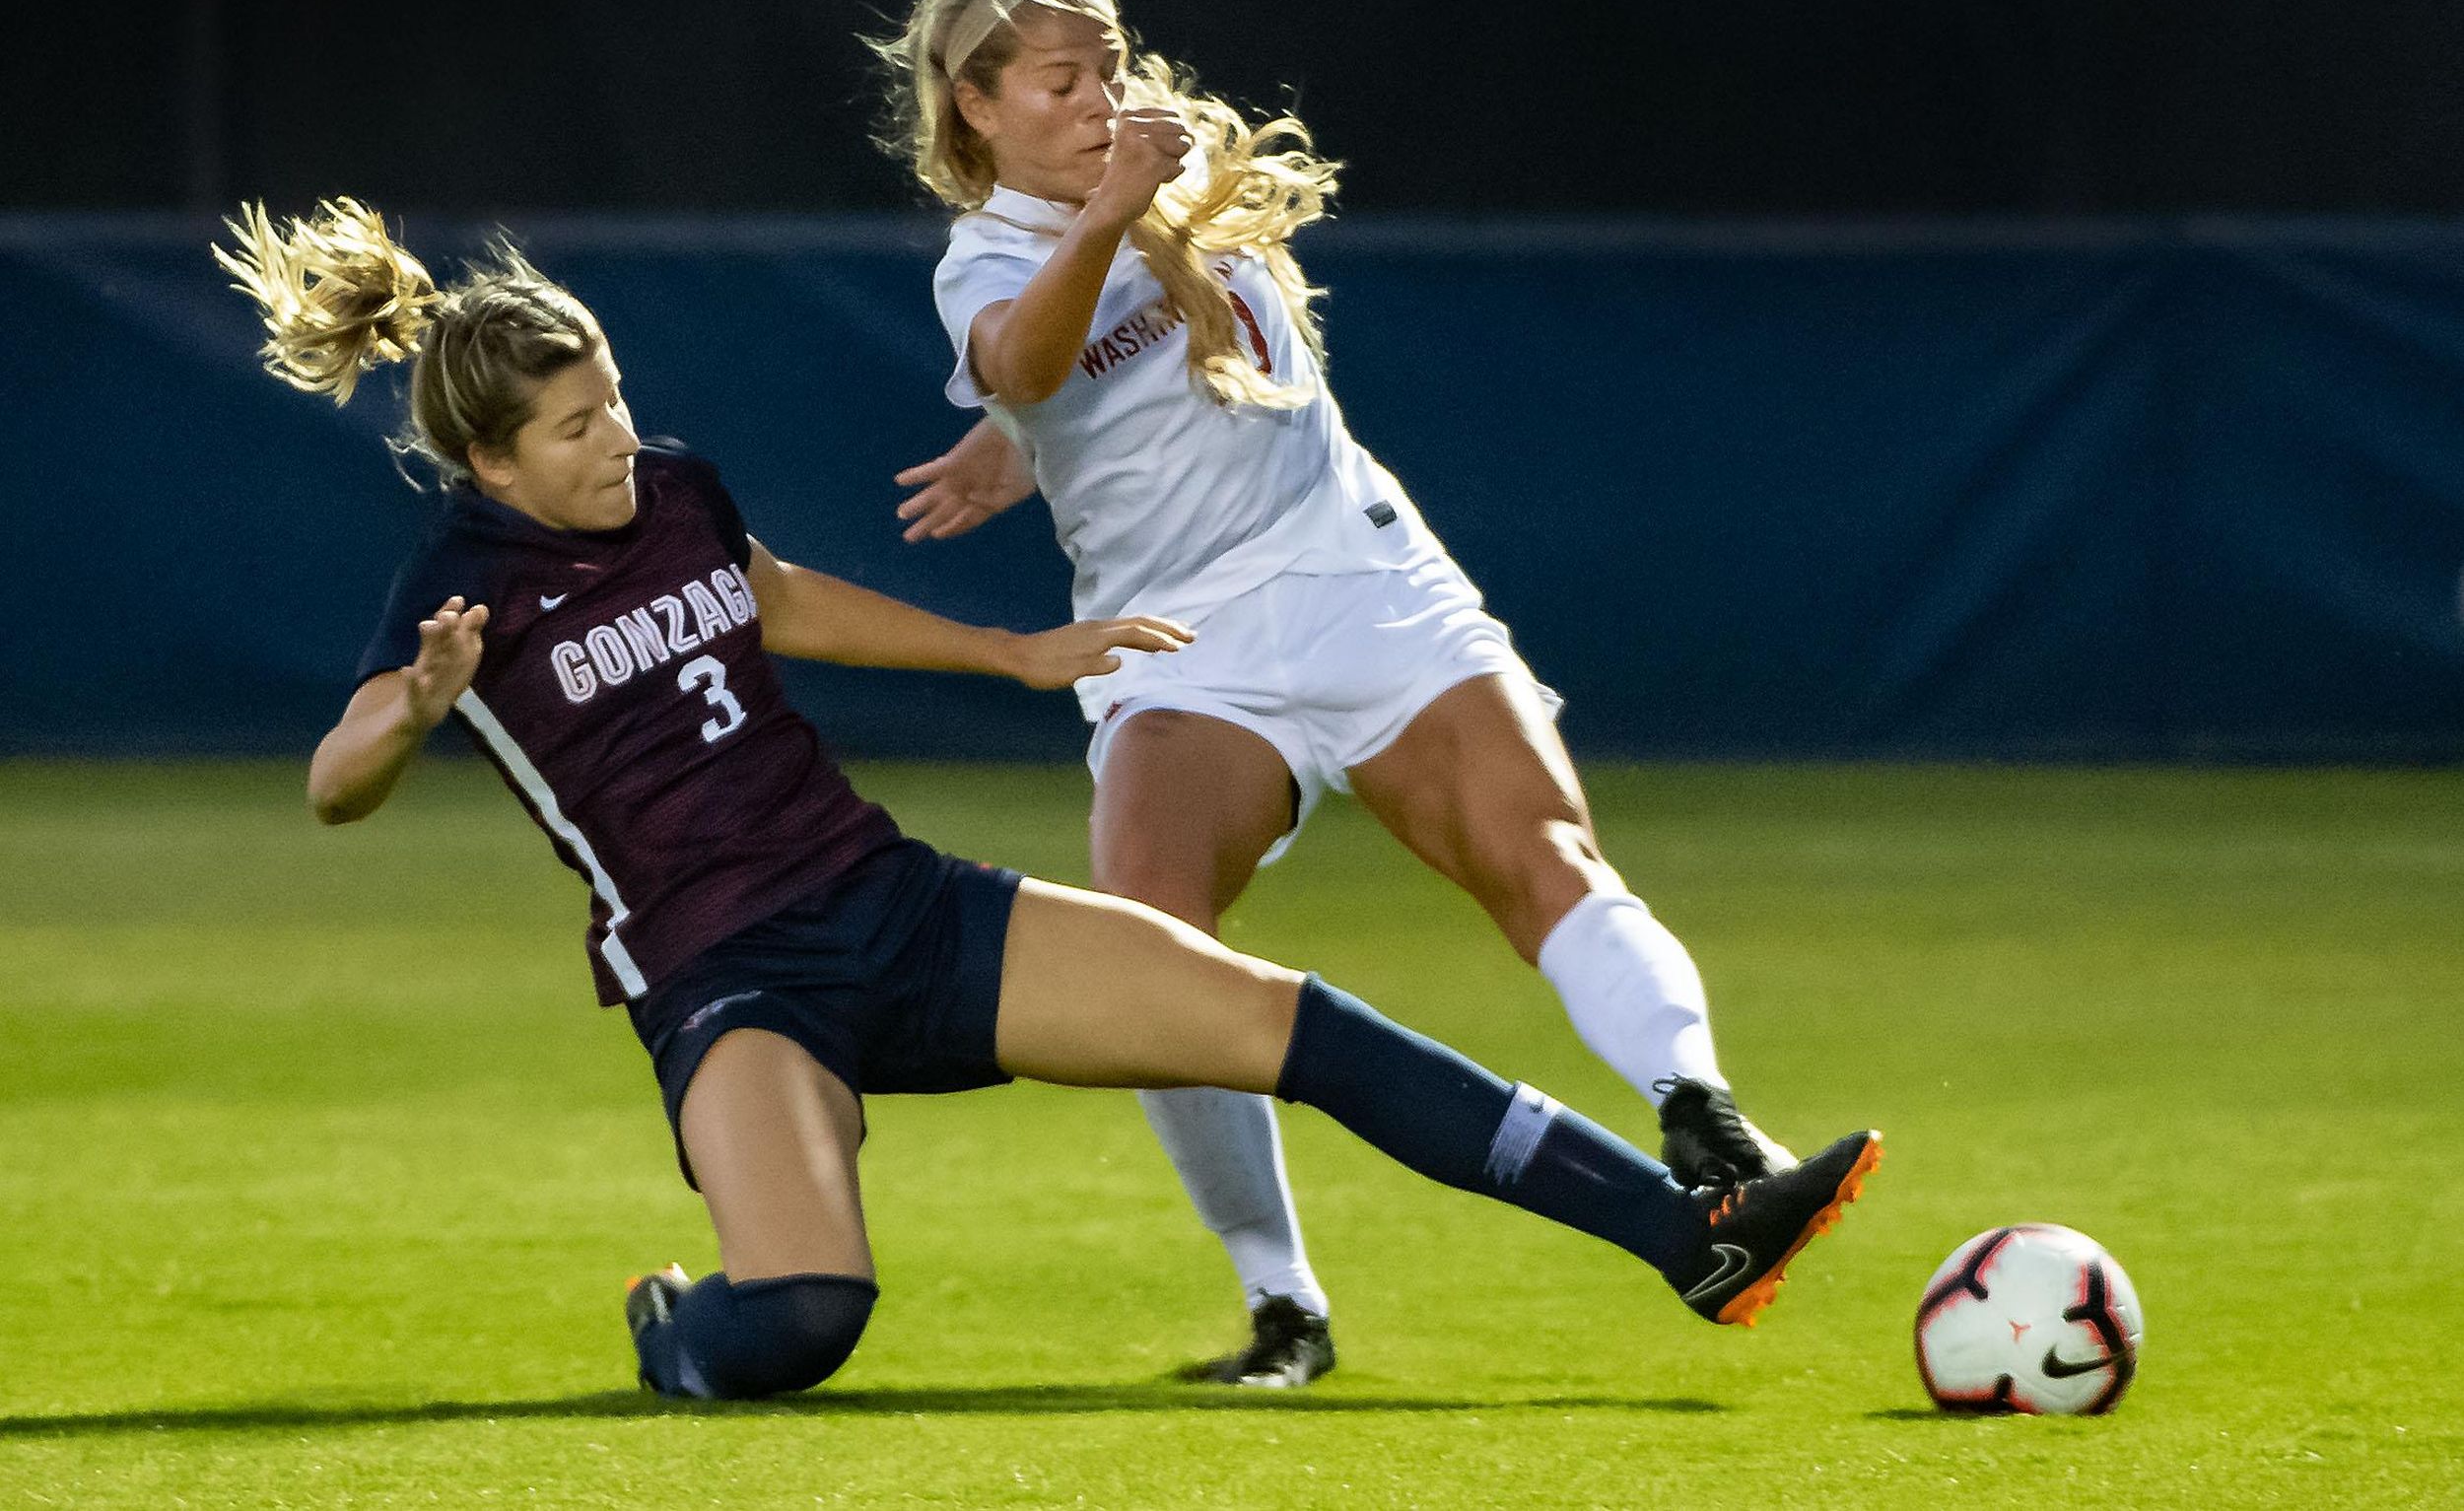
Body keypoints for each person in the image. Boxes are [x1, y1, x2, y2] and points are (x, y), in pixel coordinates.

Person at [214, 197, 1881, 1402]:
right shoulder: (464, 579)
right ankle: (678, 1326)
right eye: (578, 430)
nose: (618, 442)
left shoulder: (675, 495)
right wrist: (418, 709)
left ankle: (1692, 1238)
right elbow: (332, 783)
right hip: (730, 979)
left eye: (619, 402)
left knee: (1283, 1021)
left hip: (893, 907)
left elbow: (781, 599)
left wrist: (1016, 656)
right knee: (801, 1321)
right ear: (493, 465)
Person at [871, 0, 1806, 1385]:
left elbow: (1103, 369)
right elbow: (1029, 359)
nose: (1099, 96)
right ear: (973, 108)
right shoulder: (989, 254)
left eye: (1109, 65)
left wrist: (1026, 422)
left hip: (1357, 574)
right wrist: (1024, 402)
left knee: (1537, 844)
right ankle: (1283, 1305)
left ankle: (1712, 1126)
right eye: (1060, 81)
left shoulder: (1171, 173)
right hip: (1184, 641)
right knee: (1154, 943)